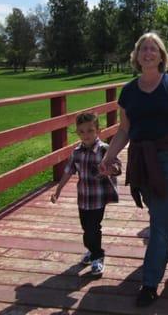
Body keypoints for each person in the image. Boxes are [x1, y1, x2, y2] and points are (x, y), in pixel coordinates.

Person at [99, 32, 168, 307]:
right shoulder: (129, 90)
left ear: (161, 55)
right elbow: (124, 130)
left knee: (158, 219)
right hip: (141, 160)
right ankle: (166, 241)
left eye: (153, 49)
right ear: (136, 56)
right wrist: (109, 156)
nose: (148, 53)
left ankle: (149, 282)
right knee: (161, 214)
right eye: (143, 49)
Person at [50, 112, 121, 276]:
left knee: (93, 228)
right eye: (81, 132)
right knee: (85, 228)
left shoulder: (104, 150)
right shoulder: (77, 152)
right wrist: (58, 190)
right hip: (83, 198)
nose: (86, 135)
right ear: (77, 133)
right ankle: (91, 249)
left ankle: (97, 257)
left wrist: (110, 169)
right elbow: (68, 172)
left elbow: (117, 166)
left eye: (90, 130)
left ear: (98, 130)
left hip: (98, 198)